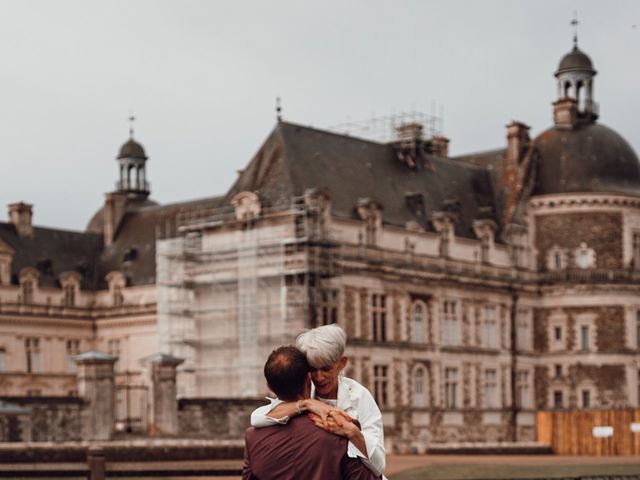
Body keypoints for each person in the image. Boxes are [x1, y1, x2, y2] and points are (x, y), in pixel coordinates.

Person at [251, 324, 386, 478]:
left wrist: (352, 432)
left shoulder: (359, 396)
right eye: (313, 369)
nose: (319, 377)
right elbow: (257, 418)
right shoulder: (303, 392)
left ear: (342, 363)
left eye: (326, 369)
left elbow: (380, 465)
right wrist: (306, 403)